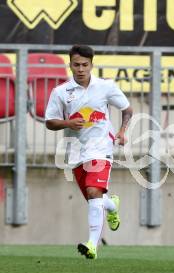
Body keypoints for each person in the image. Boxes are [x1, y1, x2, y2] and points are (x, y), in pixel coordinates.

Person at [45, 45, 133, 259]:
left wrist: (122, 131)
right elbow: (49, 122)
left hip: (102, 147)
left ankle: (92, 245)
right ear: (70, 65)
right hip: (76, 152)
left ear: (92, 65)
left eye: (85, 65)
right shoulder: (60, 92)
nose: (81, 69)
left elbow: (127, 109)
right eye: (77, 65)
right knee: (95, 199)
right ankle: (112, 205)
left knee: (94, 192)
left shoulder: (105, 86)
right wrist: (67, 122)